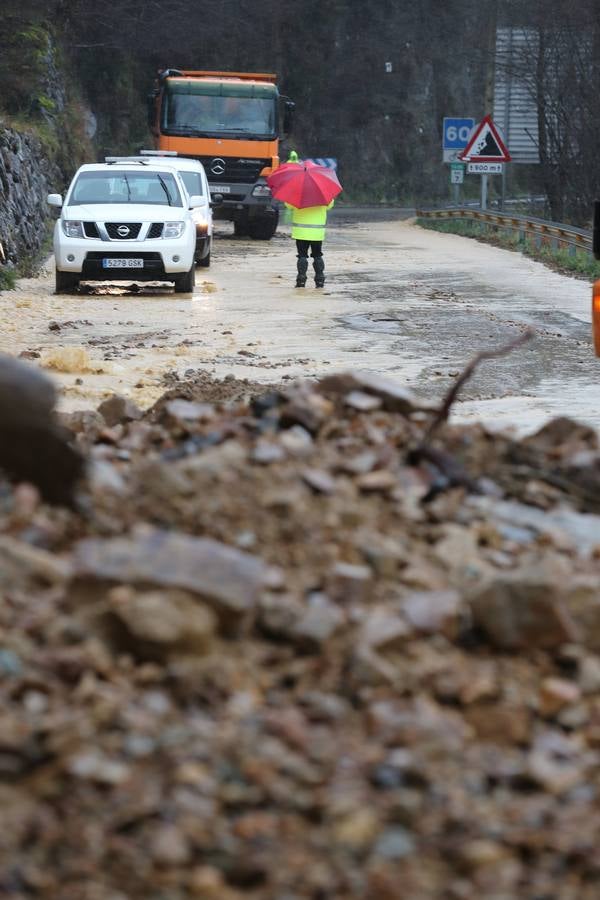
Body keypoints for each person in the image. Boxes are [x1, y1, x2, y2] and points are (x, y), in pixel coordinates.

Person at [286, 199, 334, 288]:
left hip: (301, 233)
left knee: (302, 255)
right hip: (317, 233)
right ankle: (320, 281)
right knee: (317, 255)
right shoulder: (324, 196)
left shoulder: (297, 194)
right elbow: (330, 206)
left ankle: (301, 281)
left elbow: (289, 206)